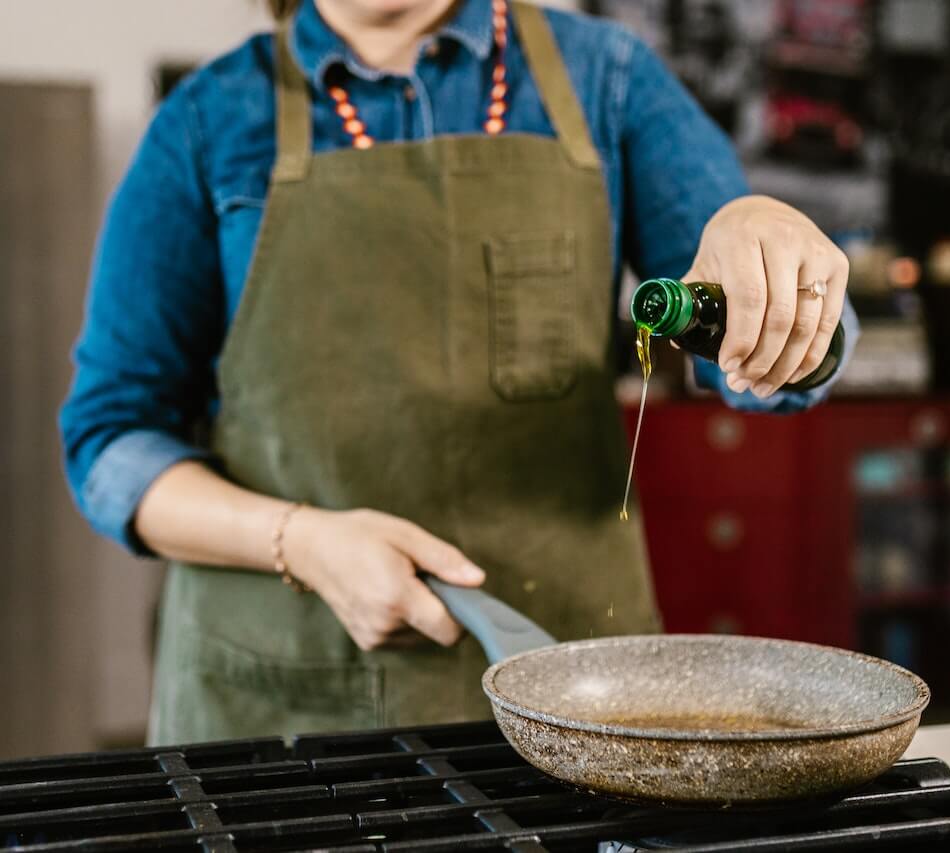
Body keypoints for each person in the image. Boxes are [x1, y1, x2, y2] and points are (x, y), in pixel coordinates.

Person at [59, 0, 857, 745]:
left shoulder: (606, 79)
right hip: (281, 718)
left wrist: (772, 258)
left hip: (567, 706)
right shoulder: (208, 120)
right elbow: (111, 440)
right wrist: (299, 541)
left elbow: (762, 352)